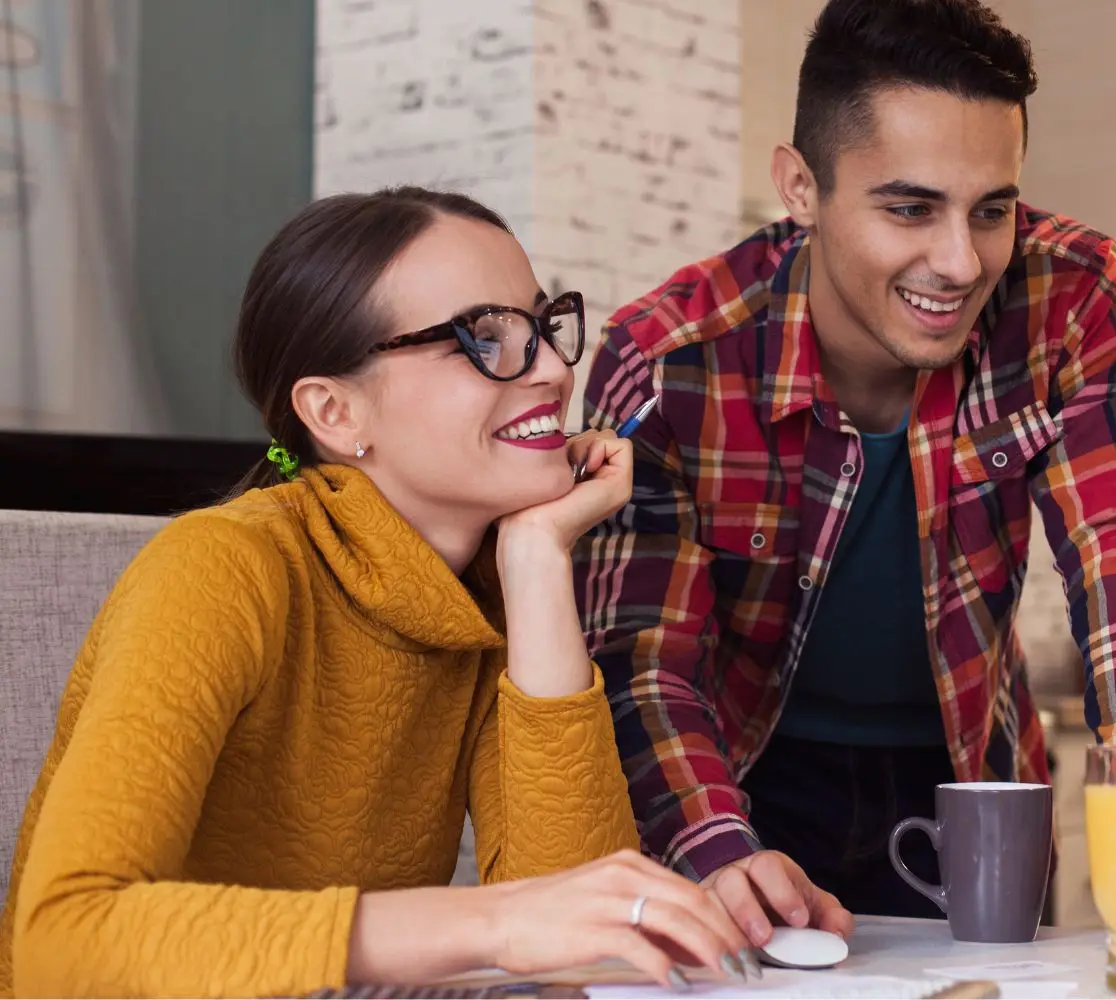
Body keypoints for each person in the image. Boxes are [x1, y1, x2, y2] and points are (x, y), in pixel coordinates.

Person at [578, 0, 1116, 962]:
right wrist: (712, 848)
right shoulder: (669, 358)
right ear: (799, 187)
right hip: (740, 783)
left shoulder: (1069, 294)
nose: (960, 262)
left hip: (971, 786)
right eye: (909, 207)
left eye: (993, 209)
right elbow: (640, 660)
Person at [0, 187, 756, 998]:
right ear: (334, 409)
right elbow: (63, 939)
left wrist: (539, 559)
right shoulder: (220, 567)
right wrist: (489, 923)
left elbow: (583, 960)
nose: (554, 368)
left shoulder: (486, 589)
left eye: (542, 325)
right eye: (484, 338)